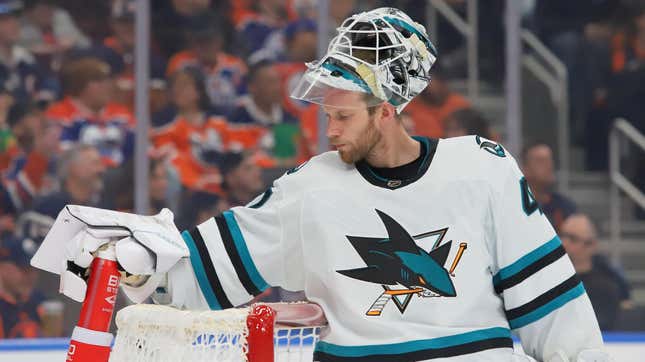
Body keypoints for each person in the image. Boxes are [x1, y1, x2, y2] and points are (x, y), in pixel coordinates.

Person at [32, 8, 608, 362]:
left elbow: (550, 307)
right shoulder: (307, 191)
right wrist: (137, 263)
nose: (328, 129)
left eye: (343, 115)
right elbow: (196, 278)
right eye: (325, 113)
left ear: (386, 111)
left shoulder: (484, 169)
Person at [560, 213, 632, 330]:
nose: (564, 243)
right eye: (562, 236)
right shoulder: (549, 279)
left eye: (572, 238)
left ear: (591, 245)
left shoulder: (607, 286)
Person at [520, 141, 577, 232]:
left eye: (550, 160)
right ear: (525, 168)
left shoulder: (565, 207)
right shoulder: (514, 207)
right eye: (541, 161)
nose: (549, 165)